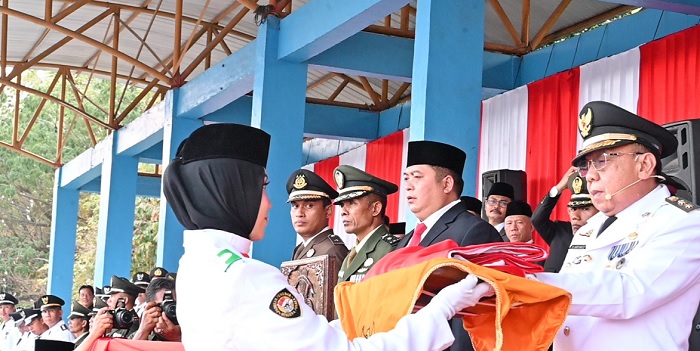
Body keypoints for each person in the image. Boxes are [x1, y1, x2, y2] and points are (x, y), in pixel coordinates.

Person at [162, 123, 493, 351]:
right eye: (260, 188)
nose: (270, 202)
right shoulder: (245, 276)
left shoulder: (197, 263)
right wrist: (441, 310)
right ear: (231, 193)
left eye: (416, 177)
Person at [532, 101, 700, 350]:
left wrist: (529, 285)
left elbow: (630, 292)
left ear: (644, 165)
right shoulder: (590, 228)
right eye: (586, 165)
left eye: (601, 161)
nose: (589, 175)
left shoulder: (684, 222)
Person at [396, 140, 503, 351]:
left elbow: (475, 317)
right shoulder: (405, 241)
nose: (408, 186)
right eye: (406, 178)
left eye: (417, 177)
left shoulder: (474, 232)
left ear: (446, 184)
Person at [333, 165, 400, 283]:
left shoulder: (391, 249)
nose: (343, 211)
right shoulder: (351, 255)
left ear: (375, 209)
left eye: (352, 203)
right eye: (342, 205)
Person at [532, 168, 599, 272]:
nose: (575, 216)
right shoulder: (559, 232)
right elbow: (537, 219)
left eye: (585, 209)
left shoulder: (605, 236)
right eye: (573, 209)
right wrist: (558, 188)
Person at [287, 169, 348, 274]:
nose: (299, 213)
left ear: (328, 211)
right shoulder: (301, 248)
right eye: (295, 206)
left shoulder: (332, 250)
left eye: (309, 205)